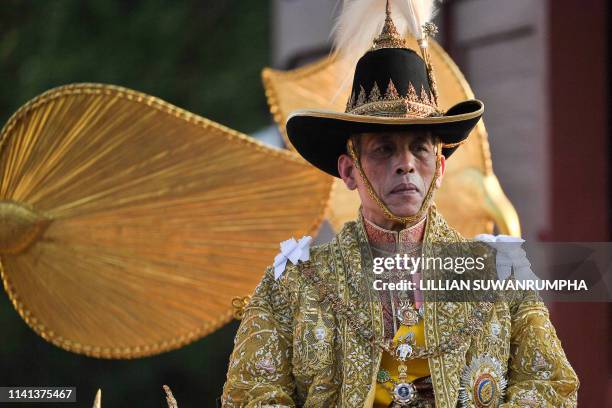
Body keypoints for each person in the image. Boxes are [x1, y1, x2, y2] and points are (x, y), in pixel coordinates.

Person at [222, 2, 578, 407]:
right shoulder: (290, 288)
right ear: (349, 170)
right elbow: (252, 396)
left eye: (420, 149)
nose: (405, 164)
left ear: (440, 168)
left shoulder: (500, 277)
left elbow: (549, 386)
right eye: (384, 149)